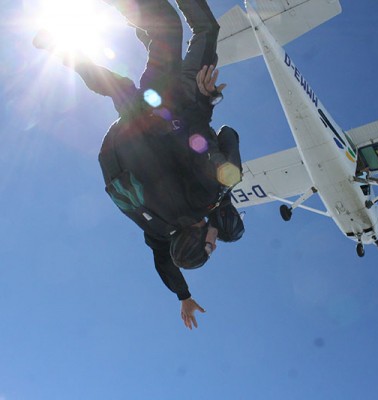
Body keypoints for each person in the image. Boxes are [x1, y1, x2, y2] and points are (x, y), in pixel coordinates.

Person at [33, 0, 245, 329]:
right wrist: (183, 295)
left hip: (165, 110)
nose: (215, 245)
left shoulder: (204, 196)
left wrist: (207, 101)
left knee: (185, 29)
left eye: (209, 247)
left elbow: (209, 136)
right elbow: (164, 263)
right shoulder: (160, 231)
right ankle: (62, 46)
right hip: (128, 133)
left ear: (198, 234)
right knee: (128, 77)